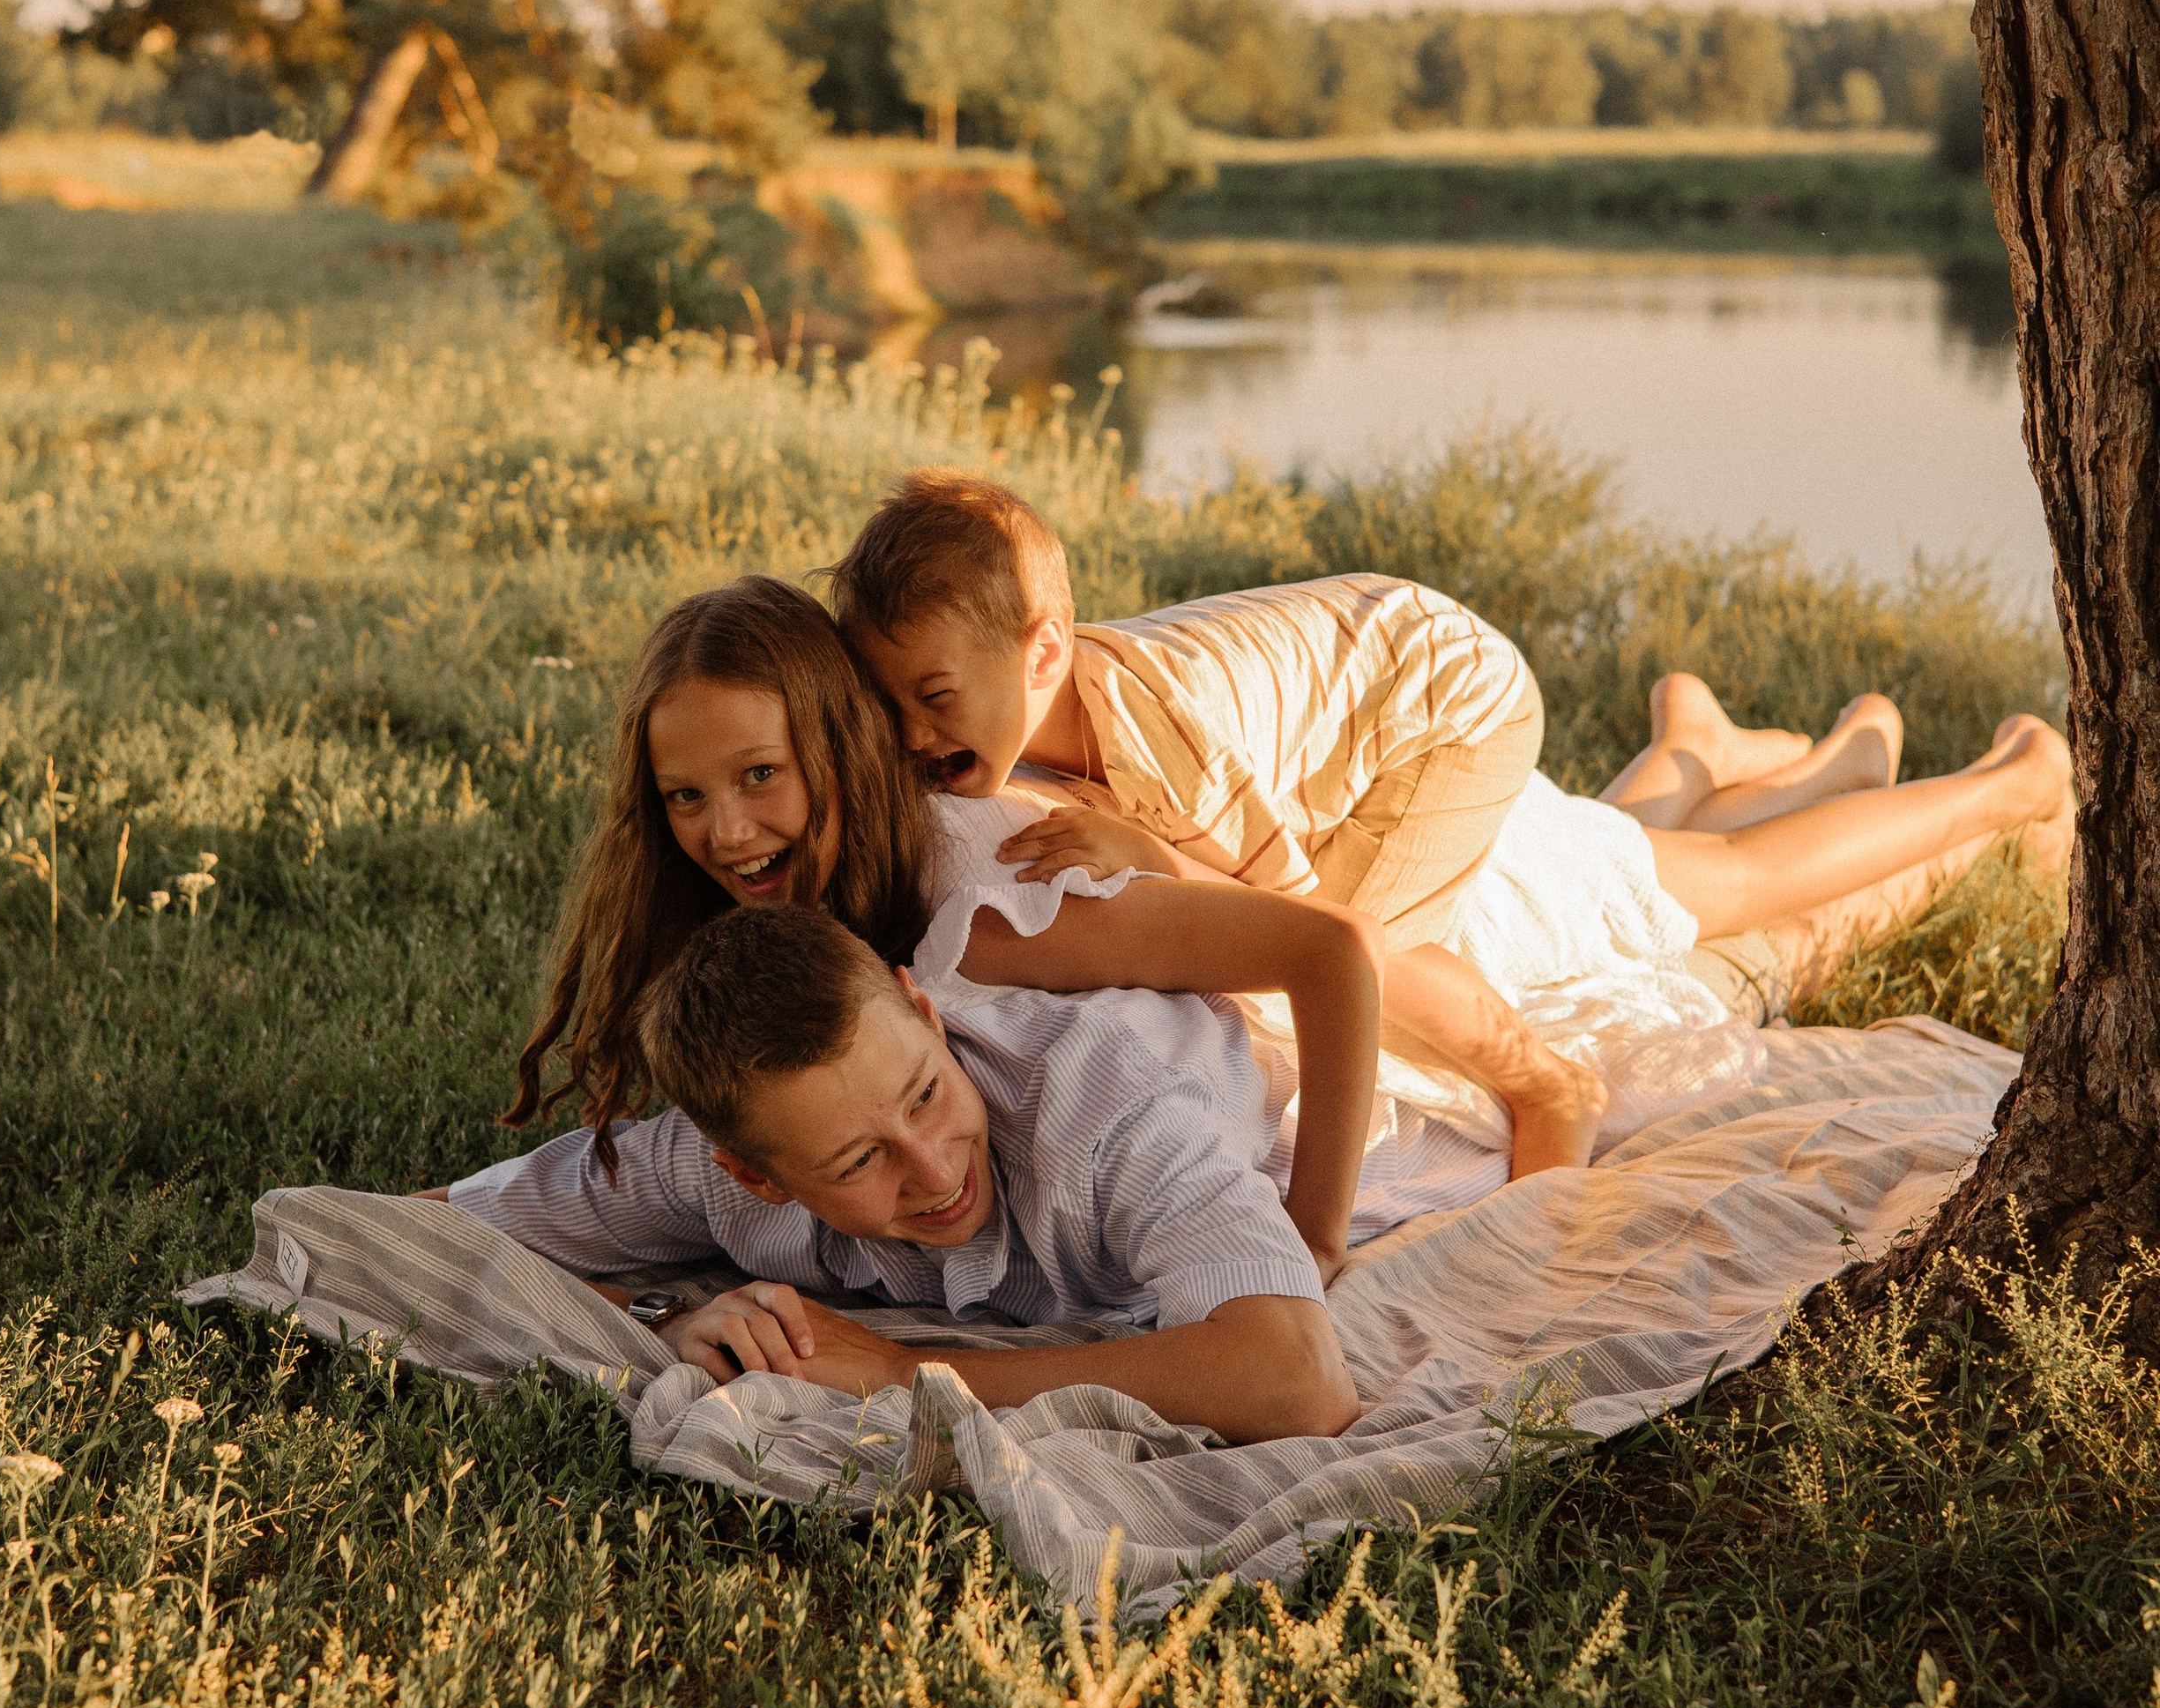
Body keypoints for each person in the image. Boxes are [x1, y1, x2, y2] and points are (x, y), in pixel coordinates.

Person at [828, 469, 2074, 1075]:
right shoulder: (1019, 708)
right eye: (883, 705)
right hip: (1364, 698)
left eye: (932, 701)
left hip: (1445, 702)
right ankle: (1708, 750)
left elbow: (1296, 916)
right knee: (1586, 875)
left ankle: (2011, 781)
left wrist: (1148, 858)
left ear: (1044, 653)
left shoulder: (1170, 742)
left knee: (1386, 943)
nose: (910, 737)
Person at [502, 572, 1442, 1284]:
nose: (726, 832)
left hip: (1318, 1063)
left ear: (838, 742)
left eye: (759, 775)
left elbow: (1330, 950)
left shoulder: (984, 903)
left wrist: (1314, 1236)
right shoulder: (783, 905)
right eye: (685, 796)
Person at [453, 905, 1359, 1443]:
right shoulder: (703, 1166)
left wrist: (902, 1372)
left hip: (1379, 1102)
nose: (933, 1169)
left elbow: (1299, 1380)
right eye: (859, 1160)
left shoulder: (1111, 1113)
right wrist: (668, 1317)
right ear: (753, 1176)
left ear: (925, 1014)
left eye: (926, 1095)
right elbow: (425, 1227)